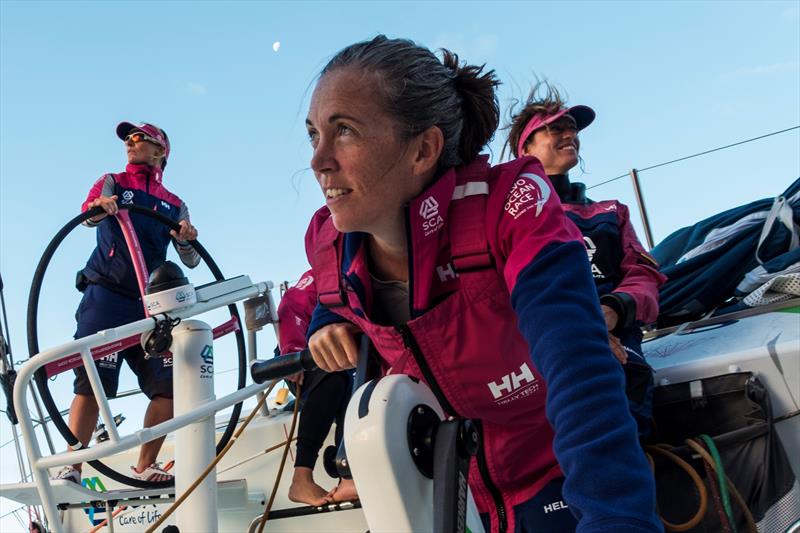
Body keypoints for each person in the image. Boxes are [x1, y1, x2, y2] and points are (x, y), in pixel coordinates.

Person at [301, 35, 662, 533]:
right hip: (442, 490)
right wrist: (327, 320)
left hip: (558, 477)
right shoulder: (327, 241)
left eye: (344, 131)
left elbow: (578, 365)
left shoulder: (511, 204)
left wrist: (615, 517)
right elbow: (334, 296)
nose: (318, 161)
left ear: (424, 148)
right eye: (313, 134)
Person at [506, 82, 667, 435]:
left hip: (621, 358)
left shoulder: (611, 213)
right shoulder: (509, 219)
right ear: (526, 149)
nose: (570, 135)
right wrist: (580, 332)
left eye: (573, 129)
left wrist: (612, 309)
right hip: (543, 362)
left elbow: (644, 277)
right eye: (556, 128)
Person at [55, 122, 200, 484]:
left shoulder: (174, 203)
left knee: (169, 387)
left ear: (160, 151)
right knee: (92, 383)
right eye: (129, 139)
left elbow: (192, 260)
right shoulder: (113, 182)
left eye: (140, 139)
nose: (131, 144)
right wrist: (99, 207)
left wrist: (186, 238)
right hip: (106, 296)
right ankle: (72, 466)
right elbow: (88, 216)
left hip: (151, 307)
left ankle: (145, 465)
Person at [276, 271, 354, 505]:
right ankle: (302, 478)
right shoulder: (329, 269)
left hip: (358, 360)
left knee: (365, 386)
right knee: (334, 376)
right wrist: (292, 350)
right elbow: (293, 303)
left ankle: (350, 477)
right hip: (305, 357)